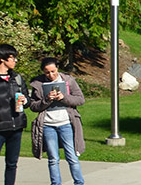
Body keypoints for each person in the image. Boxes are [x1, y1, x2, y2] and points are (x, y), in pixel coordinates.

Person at [29, 57, 84, 185]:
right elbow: (33, 106)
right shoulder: (38, 84)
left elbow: (80, 99)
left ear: (57, 68)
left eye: (53, 71)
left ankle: (79, 182)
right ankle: (55, 183)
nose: (51, 75)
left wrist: (64, 98)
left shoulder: (68, 81)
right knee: (53, 159)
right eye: (47, 72)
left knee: (72, 156)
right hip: (48, 125)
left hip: (65, 123)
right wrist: (46, 100)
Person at [0, 44, 27, 185]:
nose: (15, 61)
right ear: (3, 59)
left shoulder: (17, 79)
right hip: (0, 128)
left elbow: (28, 100)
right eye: (12, 58)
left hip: (16, 127)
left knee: (12, 164)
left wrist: (25, 100)